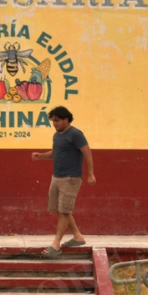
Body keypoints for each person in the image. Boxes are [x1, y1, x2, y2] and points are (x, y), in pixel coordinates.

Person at [31, 106, 96, 257]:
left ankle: (56, 244)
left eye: (57, 120)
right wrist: (40, 156)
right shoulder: (57, 136)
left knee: (64, 211)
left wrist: (90, 174)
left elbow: (87, 153)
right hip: (57, 177)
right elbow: (54, 154)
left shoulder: (76, 134)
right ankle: (78, 236)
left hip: (71, 178)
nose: (54, 123)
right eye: (53, 121)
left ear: (66, 119)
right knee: (55, 209)